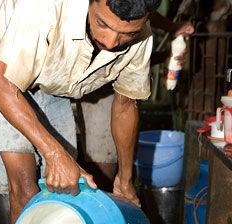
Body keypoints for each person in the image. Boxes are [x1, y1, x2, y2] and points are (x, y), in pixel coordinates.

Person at [0, 0, 162, 224]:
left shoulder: (142, 38)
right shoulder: (43, 7)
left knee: (63, 187)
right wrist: (55, 154)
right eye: (102, 23)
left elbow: (125, 105)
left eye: (127, 35)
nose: (111, 42)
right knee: (26, 187)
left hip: (55, 78)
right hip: (3, 74)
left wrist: (125, 178)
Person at [79, 12, 194, 192]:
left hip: (100, 87)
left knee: (103, 164)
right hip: (56, 78)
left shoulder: (137, 24)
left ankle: (103, 203)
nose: (111, 43)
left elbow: (137, 14)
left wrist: (125, 178)